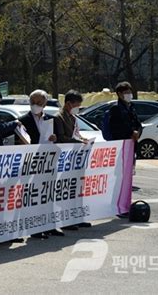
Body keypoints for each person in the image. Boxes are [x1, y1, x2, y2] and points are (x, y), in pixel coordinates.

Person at [17, 89, 62, 239]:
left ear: (45, 104)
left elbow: (59, 139)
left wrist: (55, 138)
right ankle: (34, 228)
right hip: (31, 163)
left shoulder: (51, 119)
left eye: (39, 103)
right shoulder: (23, 120)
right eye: (33, 102)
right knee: (34, 197)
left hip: (48, 162)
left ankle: (50, 225)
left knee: (48, 194)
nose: (35, 105)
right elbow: (19, 142)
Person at [53, 90, 92, 229]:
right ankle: (65, 220)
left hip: (75, 159)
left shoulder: (73, 118)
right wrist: (77, 141)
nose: (78, 108)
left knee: (76, 189)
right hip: (64, 159)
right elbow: (61, 137)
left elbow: (76, 134)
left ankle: (77, 216)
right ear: (68, 103)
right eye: (76, 105)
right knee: (66, 190)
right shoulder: (59, 117)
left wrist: (82, 140)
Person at [107, 81, 142, 217]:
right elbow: (116, 128)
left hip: (131, 146)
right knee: (119, 178)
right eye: (126, 92)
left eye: (129, 92)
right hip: (121, 146)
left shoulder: (131, 107)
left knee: (128, 177)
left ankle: (125, 205)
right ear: (119, 94)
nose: (129, 95)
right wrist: (130, 133)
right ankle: (117, 206)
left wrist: (137, 132)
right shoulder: (116, 109)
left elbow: (138, 124)